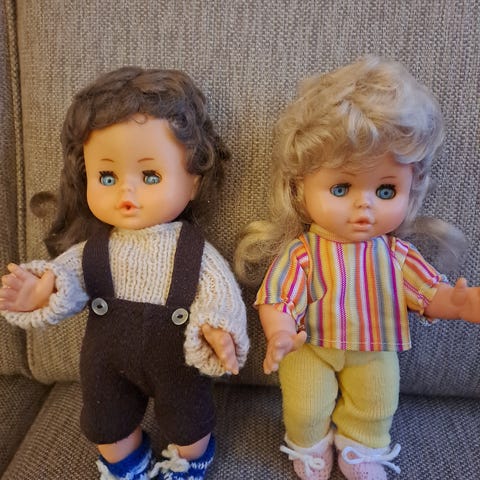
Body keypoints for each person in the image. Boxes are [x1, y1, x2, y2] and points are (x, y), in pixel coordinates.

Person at [234, 56, 480, 480]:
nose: (363, 206)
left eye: (385, 190)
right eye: (341, 187)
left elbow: (427, 291)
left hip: (374, 348)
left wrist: (457, 303)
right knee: (305, 404)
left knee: (376, 403)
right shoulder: (303, 253)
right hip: (309, 347)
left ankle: (360, 448)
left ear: (410, 190)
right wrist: (279, 331)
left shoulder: (396, 256)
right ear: (300, 188)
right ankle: (310, 444)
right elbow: (278, 296)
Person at [0, 67, 249, 480]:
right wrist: (43, 291)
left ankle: (191, 460)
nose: (125, 192)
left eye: (150, 176)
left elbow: (220, 294)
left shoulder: (195, 253)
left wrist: (218, 328)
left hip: (177, 362)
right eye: (107, 176)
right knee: (107, 425)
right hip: (106, 364)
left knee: (190, 423)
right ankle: (126, 464)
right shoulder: (91, 251)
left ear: (193, 183)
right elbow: (68, 281)